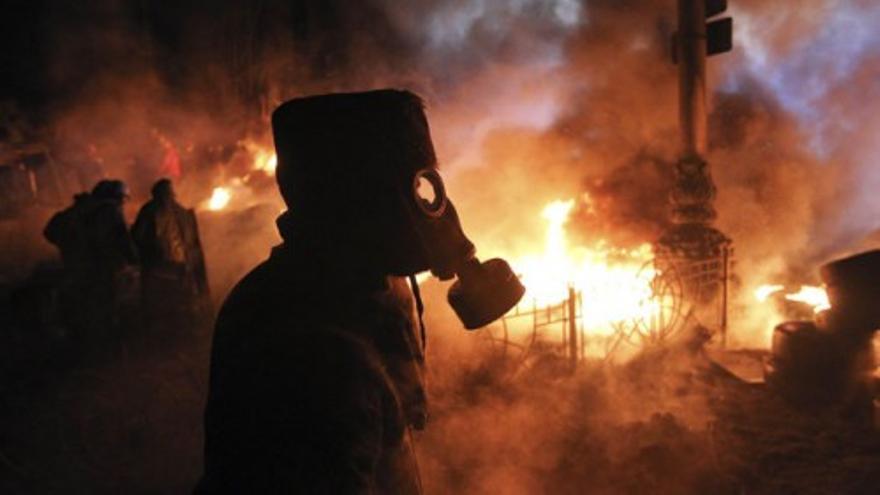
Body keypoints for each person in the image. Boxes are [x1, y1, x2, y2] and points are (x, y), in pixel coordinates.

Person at [197, 90, 524, 494]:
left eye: (428, 185)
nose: (433, 209)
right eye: (417, 186)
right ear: (358, 199)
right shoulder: (311, 344)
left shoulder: (368, 283)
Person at [132, 178, 209, 330]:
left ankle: (160, 337)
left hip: (156, 268)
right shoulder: (184, 212)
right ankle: (181, 334)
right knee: (179, 304)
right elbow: (193, 243)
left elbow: (137, 238)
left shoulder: (149, 210)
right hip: (181, 267)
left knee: (157, 307)